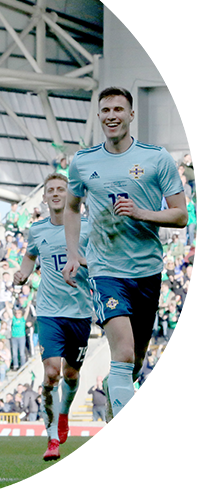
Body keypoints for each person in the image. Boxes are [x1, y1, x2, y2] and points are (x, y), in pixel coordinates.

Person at [62, 87, 187, 421]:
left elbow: (180, 215)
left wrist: (141, 213)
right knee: (125, 352)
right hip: (106, 270)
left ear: (131, 115)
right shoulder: (83, 162)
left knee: (135, 361)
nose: (112, 116)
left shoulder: (156, 158)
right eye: (105, 110)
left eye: (118, 109)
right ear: (99, 116)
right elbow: (72, 208)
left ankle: (115, 397)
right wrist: (73, 253)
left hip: (147, 271)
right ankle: (127, 430)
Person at [14, 173, 92, 461]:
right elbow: (30, 256)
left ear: (70, 195)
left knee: (71, 374)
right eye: (51, 190)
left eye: (62, 189)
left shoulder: (87, 228)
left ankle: (64, 414)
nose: (56, 193)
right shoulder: (37, 230)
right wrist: (23, 273)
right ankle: (52, 438)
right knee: (51, 374)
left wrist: (82, 262)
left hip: (80, 312)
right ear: (44, 197)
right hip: (48, 311)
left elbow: (101, 260)